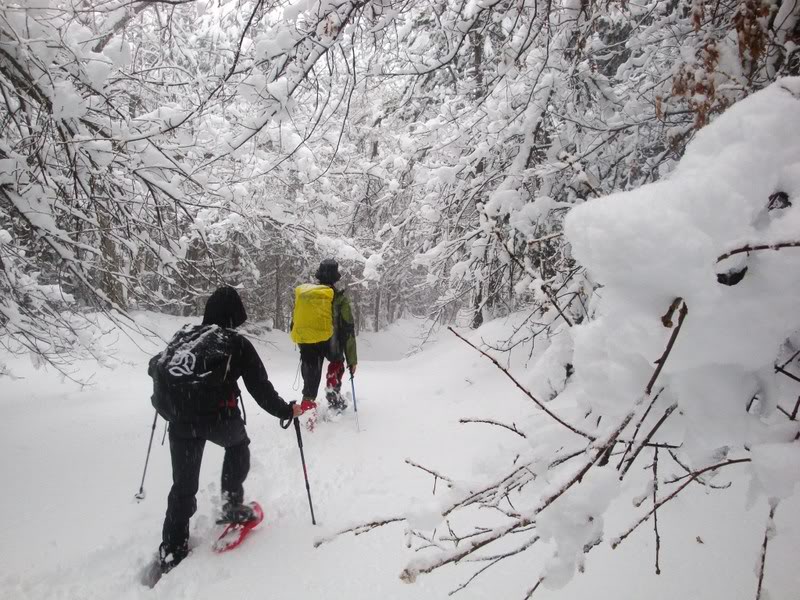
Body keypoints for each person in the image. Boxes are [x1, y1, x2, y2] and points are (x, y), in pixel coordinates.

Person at [148, 286, 302, 576]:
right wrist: (286, 411)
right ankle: (232, 506)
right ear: (234, 316)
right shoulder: (235, 342)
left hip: (180, 420)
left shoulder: (184, 336)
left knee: (183, 486)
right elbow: (261, 390)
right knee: (238, 445)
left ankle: (172, 548)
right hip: (217, 419)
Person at [294, 259, 358, 413]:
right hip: (332, 343)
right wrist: (352, 360)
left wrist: (303, 343)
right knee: (336, 363)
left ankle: (307, 412)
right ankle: (333, 396)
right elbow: (348, 330)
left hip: (309, 344)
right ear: (336, 278)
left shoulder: (306, 296)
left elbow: (295, 322)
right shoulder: (340, 299)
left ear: (318, 276)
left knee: (310, 383)